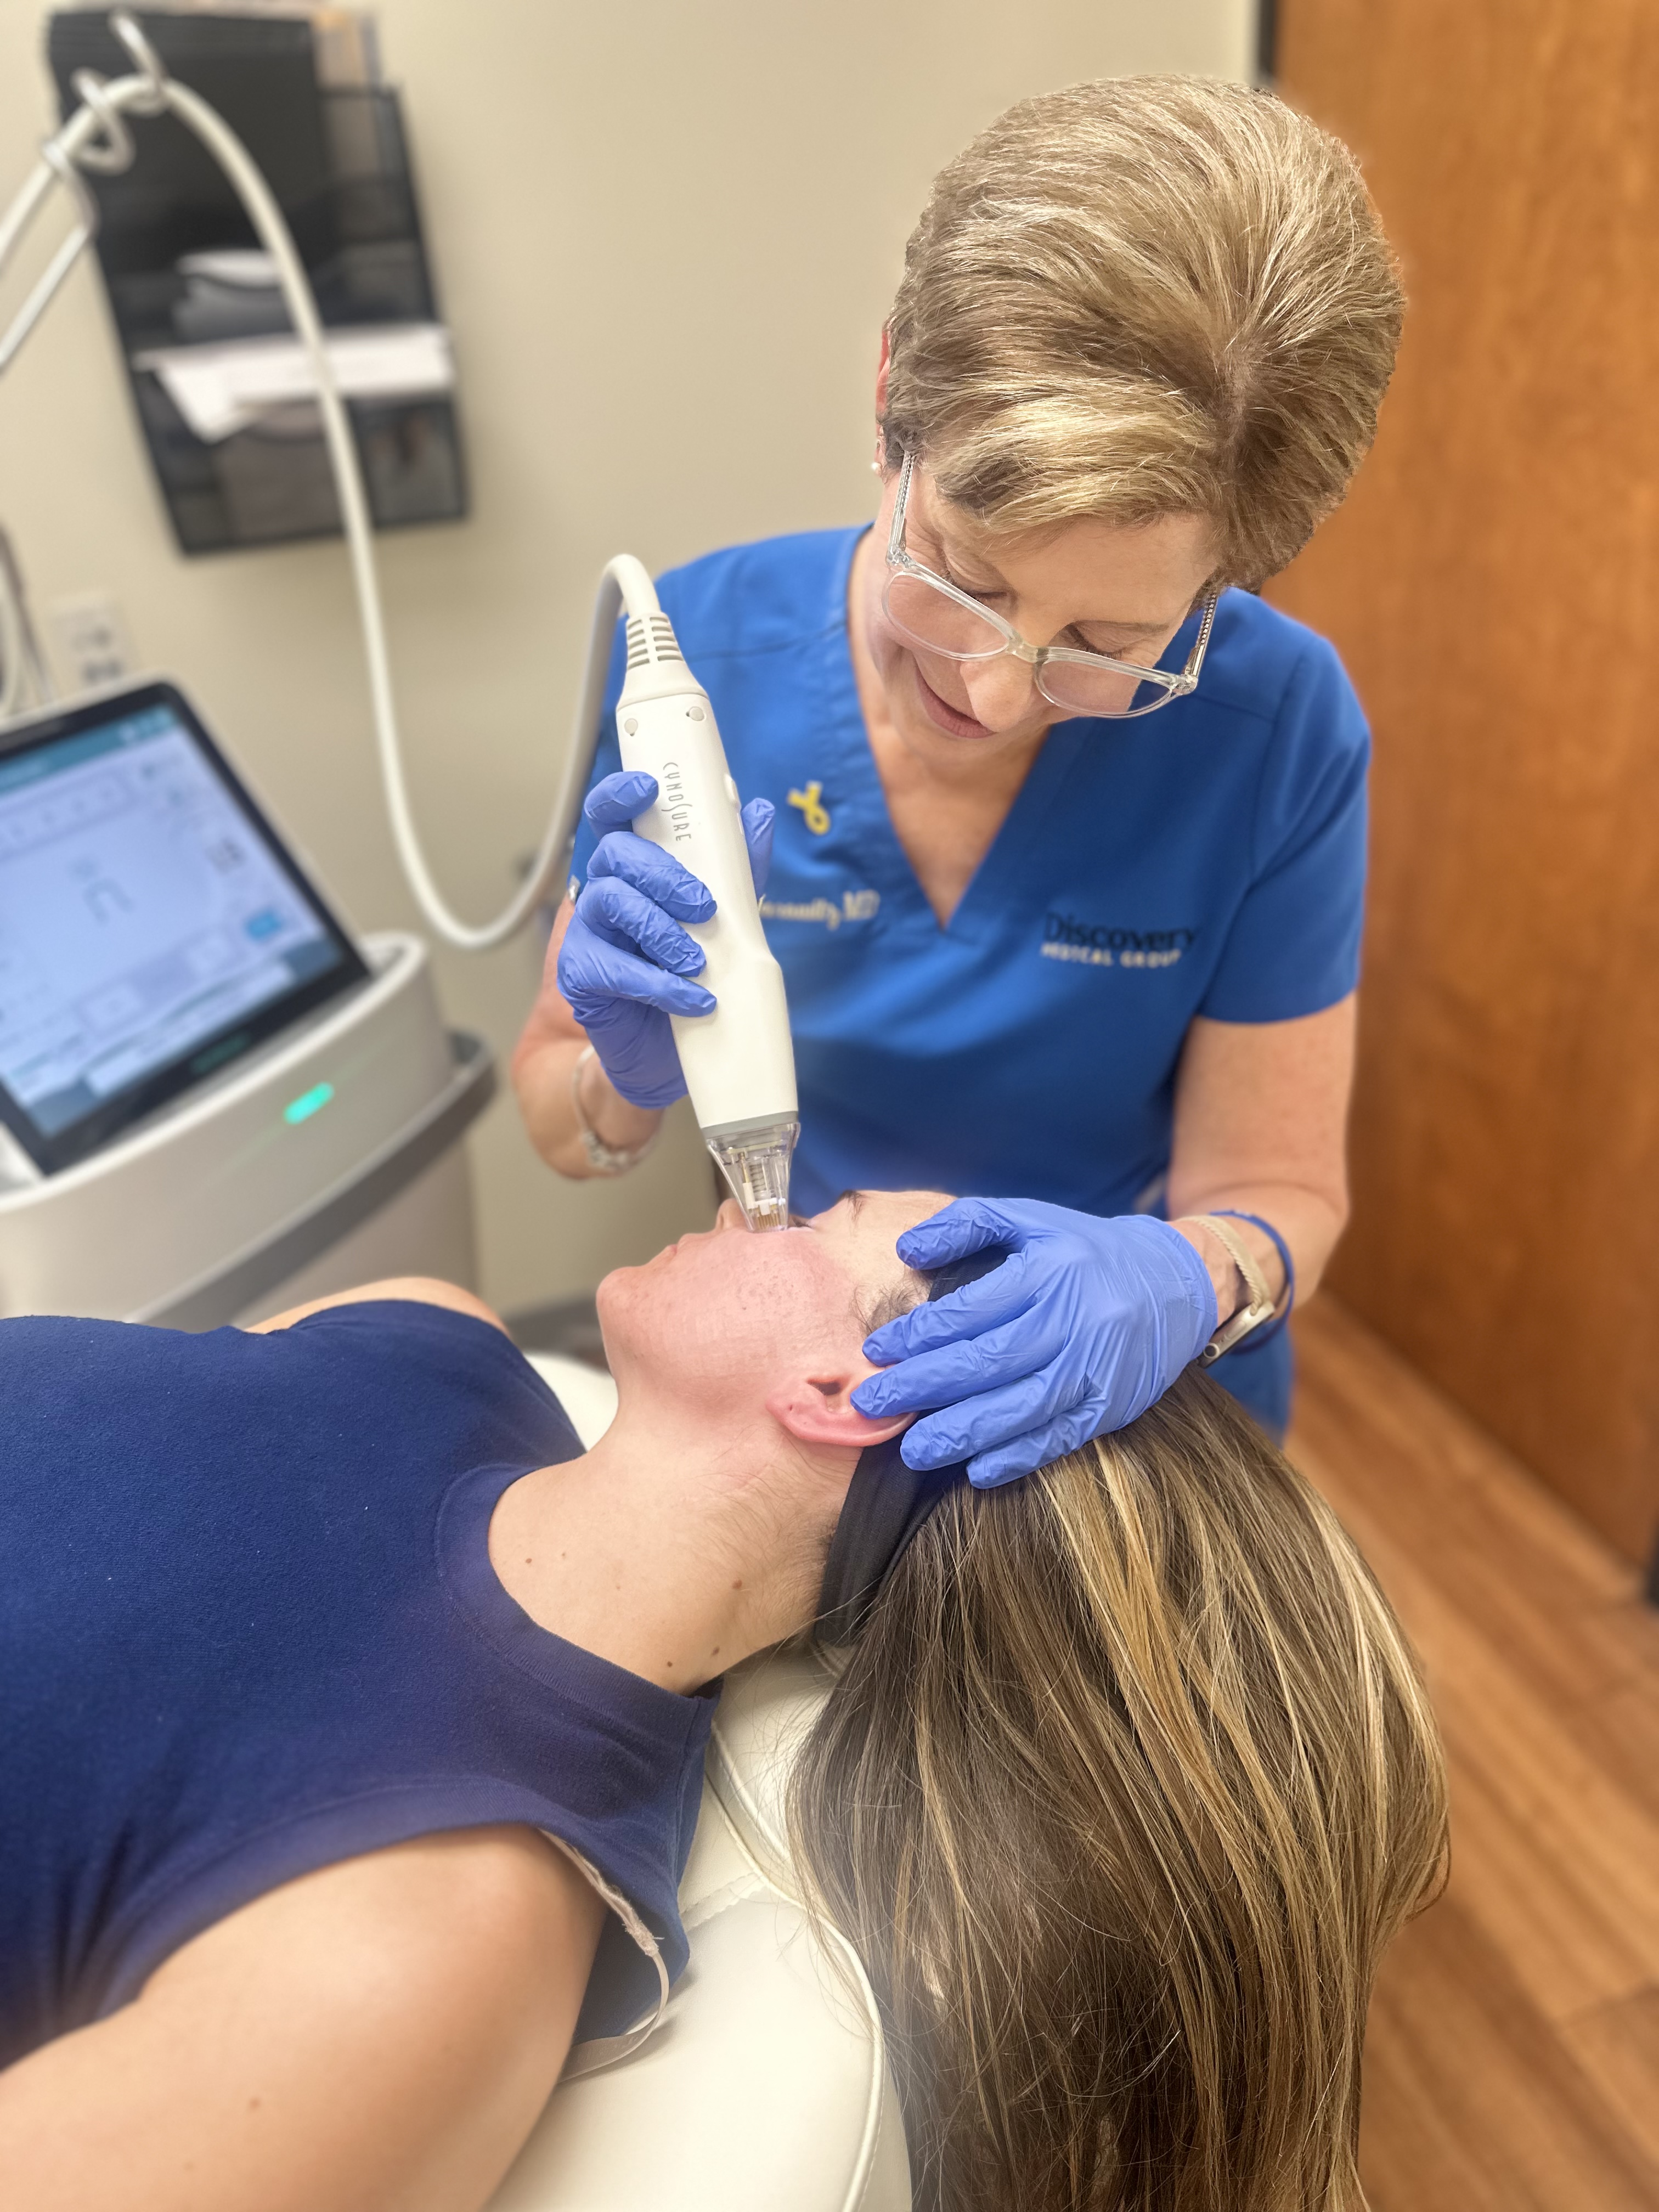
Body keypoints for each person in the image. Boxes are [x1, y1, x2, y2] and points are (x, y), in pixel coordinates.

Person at [0, 1194, 1444, 2211]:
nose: (769, 1208)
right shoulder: (427, 1333)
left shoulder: (430, 1935)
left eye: (828, 1219)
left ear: (844, 1388)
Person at [512, 76, 1404, 1466]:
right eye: (965, 576)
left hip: (1144, 1412)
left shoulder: (1276, 728)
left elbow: (1280, 1192)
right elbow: (562, 1123)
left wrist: (1190, 1279)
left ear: (1221, 586)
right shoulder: (702, 663)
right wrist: (624, 1076)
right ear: (889, 405)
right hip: (836, 1387)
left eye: (1110, 644)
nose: (993, 691)